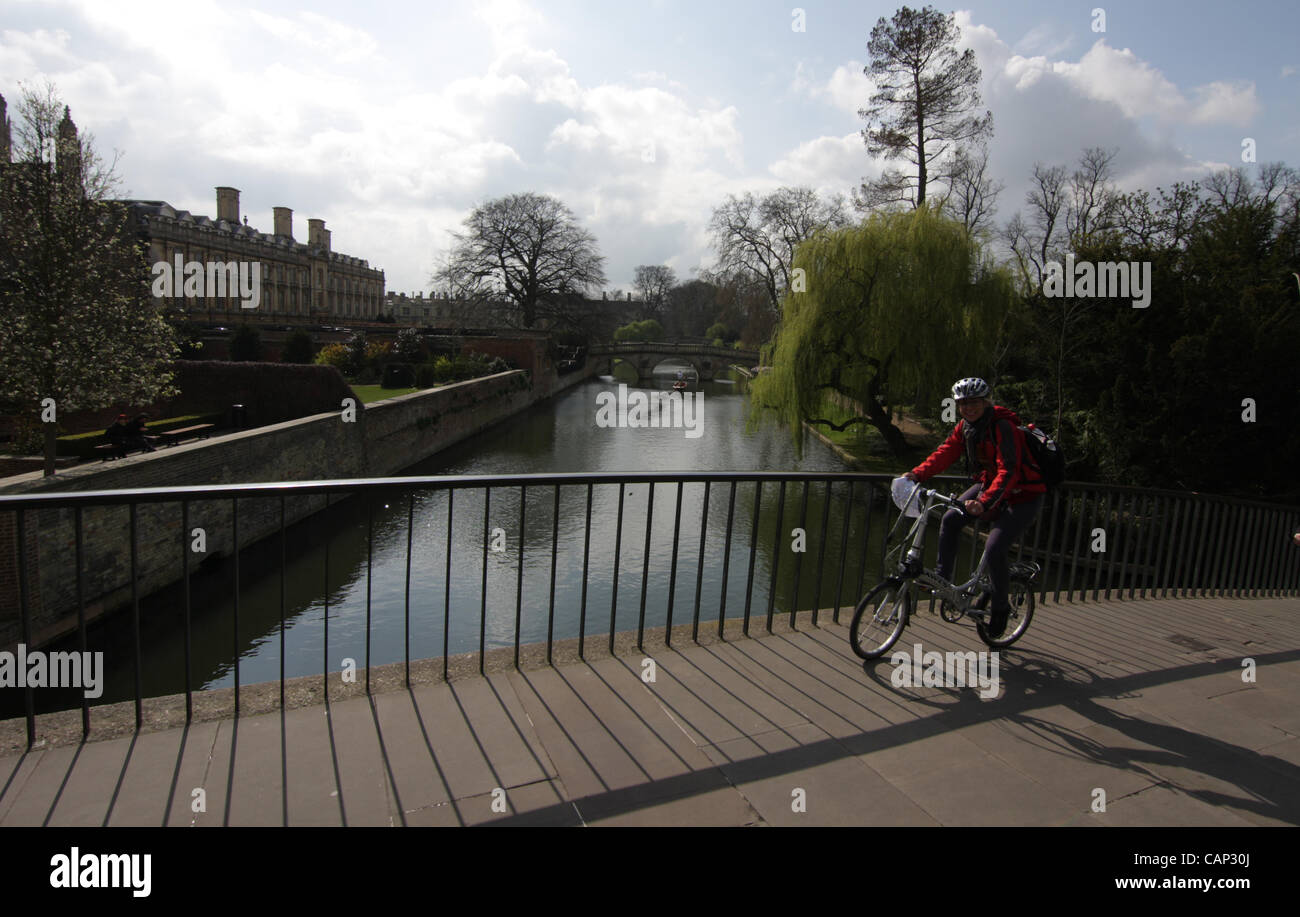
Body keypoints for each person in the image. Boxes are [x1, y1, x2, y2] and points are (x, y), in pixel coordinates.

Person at [904, 378, 1046, 638]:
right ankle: (943, 580)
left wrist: (983, 502)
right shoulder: (966, 427)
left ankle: (1001, 608)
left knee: (994, 549)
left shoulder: (1004, 427)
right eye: (963, 403)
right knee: (950, 518)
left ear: (985, 402)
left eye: (974, 402)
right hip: (991, 487)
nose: (968, 408)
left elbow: (1009, 470)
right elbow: (946, 452)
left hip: (1023, 496)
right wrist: (916, 474)